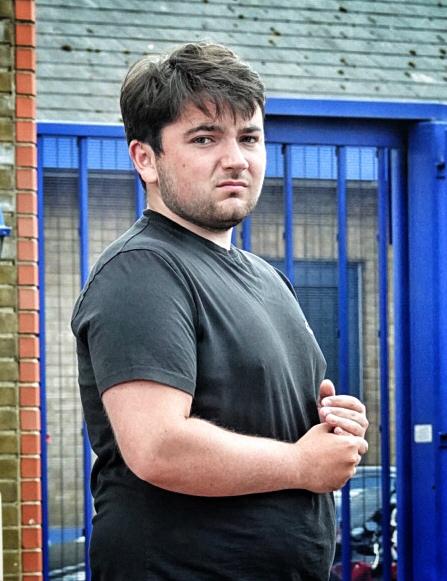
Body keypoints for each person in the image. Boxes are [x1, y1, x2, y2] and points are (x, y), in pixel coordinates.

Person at [71, 42, 369, 581]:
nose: (236, 158)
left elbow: (267, 421)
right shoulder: (143, 270)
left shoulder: (267, 278)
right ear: (145, 158)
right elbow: (159, 447)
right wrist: (301, 464)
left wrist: (331, 427)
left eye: (249, 137)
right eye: (205, 138)